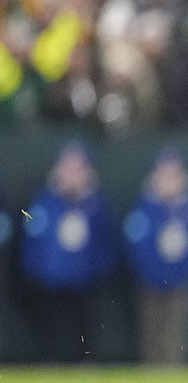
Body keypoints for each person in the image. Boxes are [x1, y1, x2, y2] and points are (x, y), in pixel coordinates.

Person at [19, 140, 120, 362]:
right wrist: (35, 272)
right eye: (68, 167)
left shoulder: (95, 204)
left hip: (85, 280)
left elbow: (106, 242)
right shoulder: (45, 200)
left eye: (78, 168)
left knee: (85, 330)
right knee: (49, 329)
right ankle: (49, 365)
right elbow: (33, 239)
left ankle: (86, 366)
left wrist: (99, 272)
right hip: (50, 281)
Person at [123, 147, 188, 366]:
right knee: (151, 330)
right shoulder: (144, 207)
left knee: (174, 331)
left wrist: (185, 272)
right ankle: (152, 373)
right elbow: (135, 244)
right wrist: (146, 273)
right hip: (149, 281)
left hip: (178, 281)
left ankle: (173, 372)